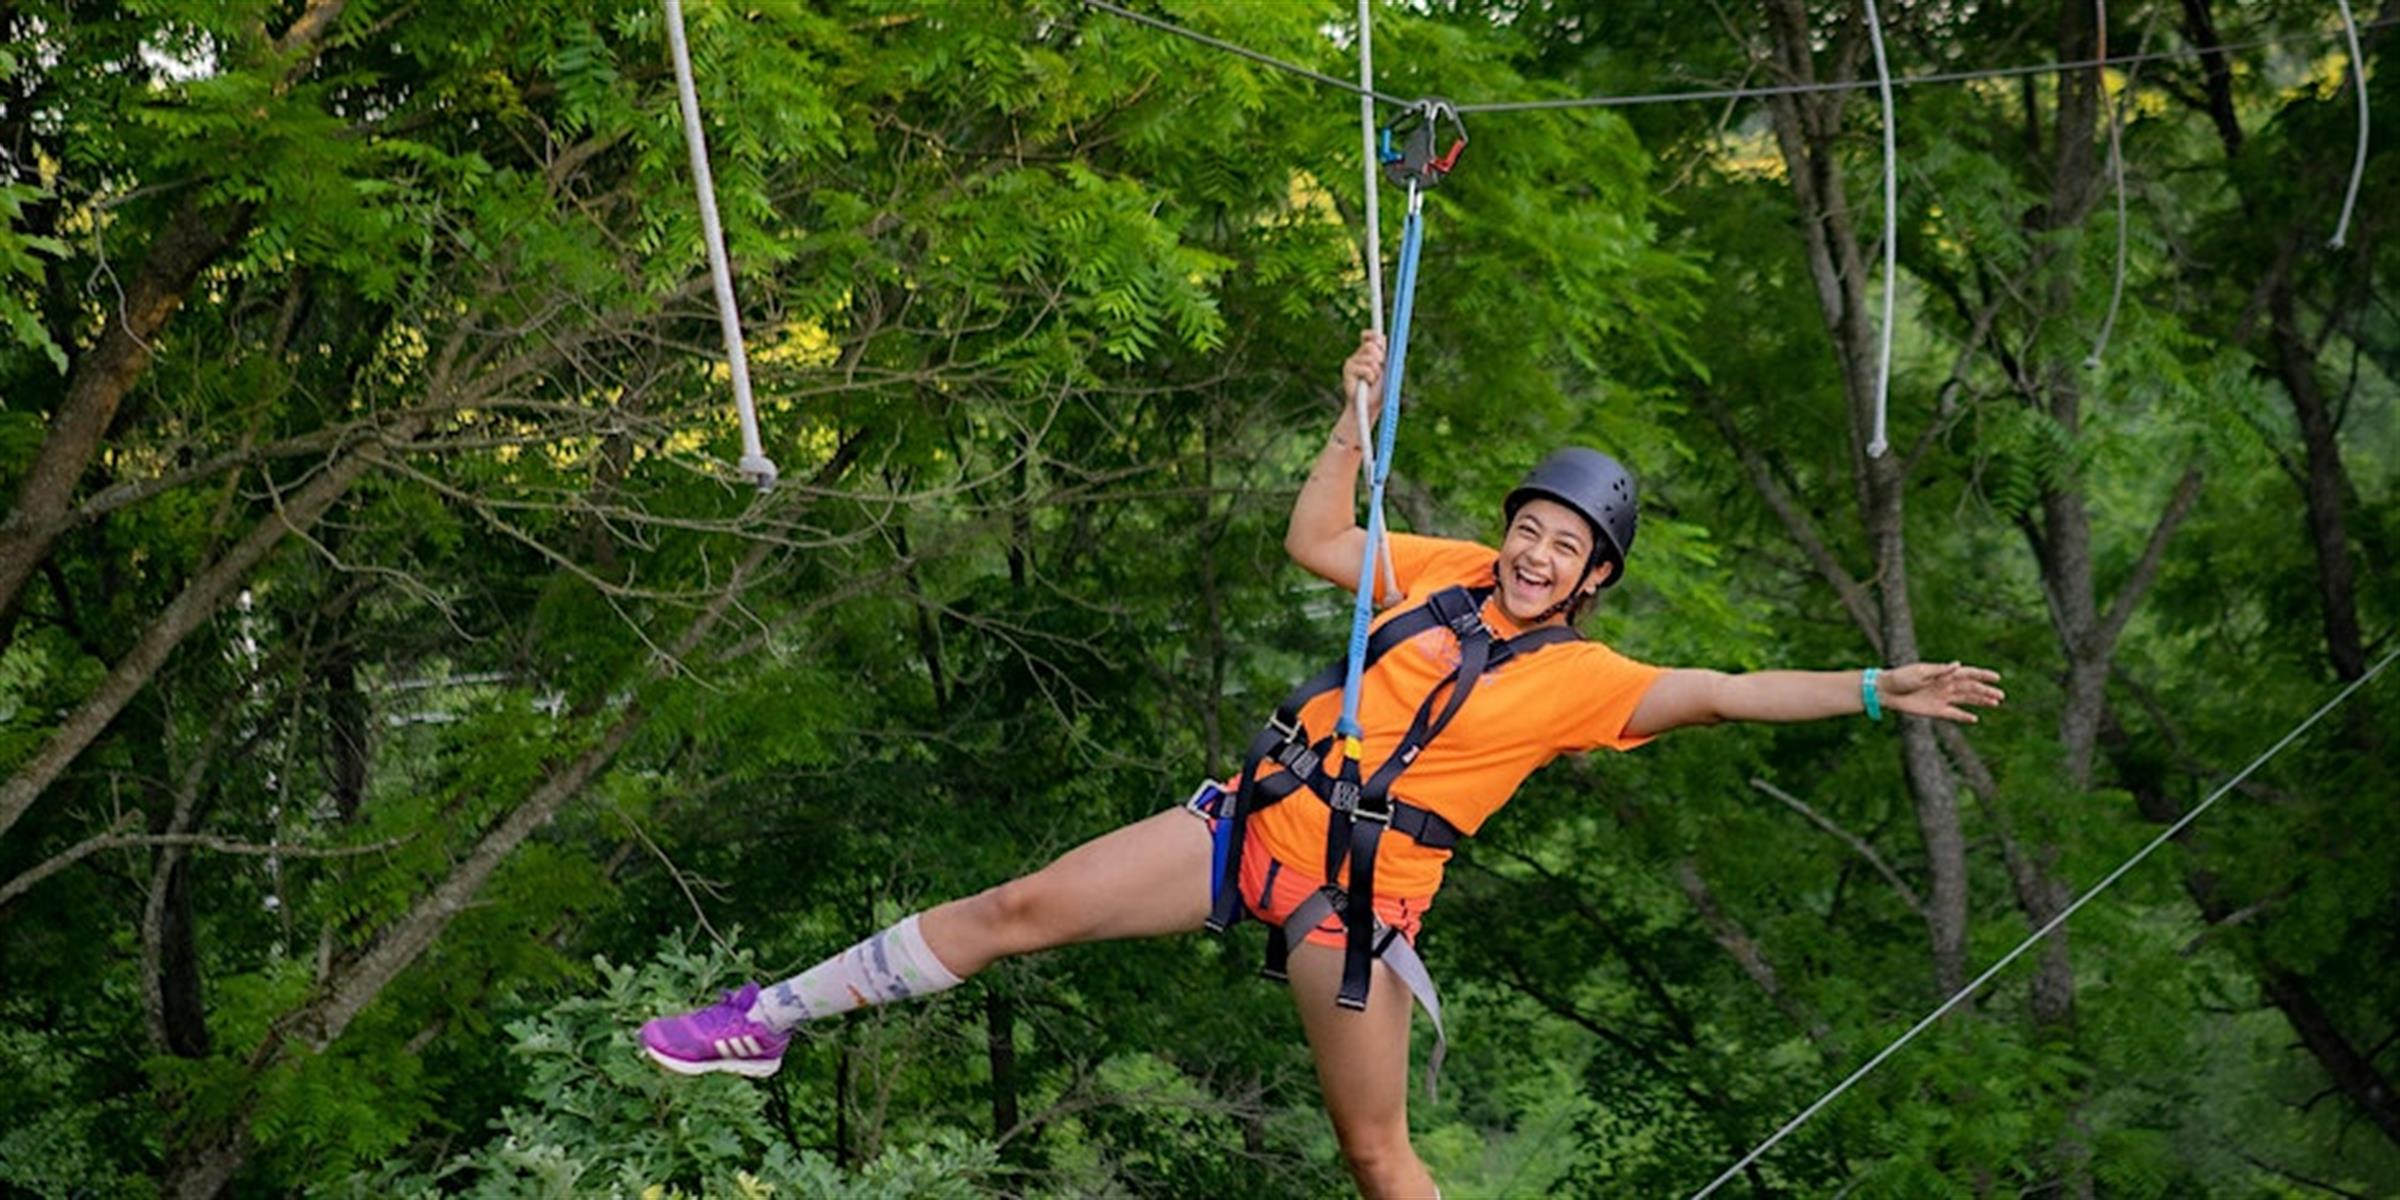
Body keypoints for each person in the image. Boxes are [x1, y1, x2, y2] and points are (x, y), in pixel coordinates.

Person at [638, 331, 2005, 1199]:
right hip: (1244, 829)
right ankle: (772, 1016)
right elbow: (1314, 538)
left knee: (1374, 1156)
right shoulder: (1438, 572)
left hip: (1351, 914)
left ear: (1592, 581)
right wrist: (1353, 414)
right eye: (1530, 528)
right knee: (1015, 911)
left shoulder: (1588, 680)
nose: (1535, 555)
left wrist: (1877, 687)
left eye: (1563, 550)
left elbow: (1726, 689)